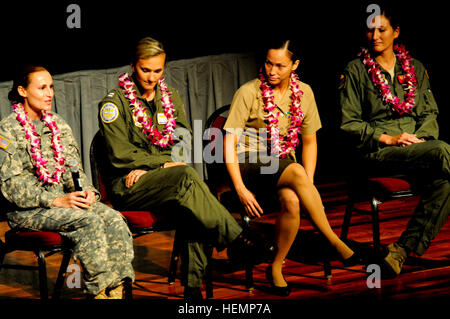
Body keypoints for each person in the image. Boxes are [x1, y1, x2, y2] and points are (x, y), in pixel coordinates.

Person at [98, 37, 270, 300]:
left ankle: (193, 289)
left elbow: (184, 138)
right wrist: (161, 165)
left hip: (167, 180)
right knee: (187, 178)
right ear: (133, 65)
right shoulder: (113, 104)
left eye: (158, 70)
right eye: (145, 70)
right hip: (129, 185)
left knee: (196, 204)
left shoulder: (170, 97)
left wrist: (164, 165)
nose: (151, 77)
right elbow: (121, 156)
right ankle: (237, 240)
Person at [223, 39, 362, 297]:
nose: (272, 71)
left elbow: (309, 142)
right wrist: (240, 188)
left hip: (283, 165)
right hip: (248, 163)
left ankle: (275, 268)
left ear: (295, 65)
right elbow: (228, 143)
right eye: (268, 63)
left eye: (280, 65)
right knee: (297, 172)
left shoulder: (304, 93)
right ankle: (333, 241)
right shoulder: (248, 92)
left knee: (293, 200)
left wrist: (305, 187)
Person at [0, 65, 135, 299]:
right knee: (89, 220)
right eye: (42, 88)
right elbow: (12, 188)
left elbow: (74, 170)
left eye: (51, 87)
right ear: (22, 91)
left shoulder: (58, 124)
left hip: (65, 202)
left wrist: (88, 192)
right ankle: (100, 291)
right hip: (29, 211)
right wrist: (55, 200)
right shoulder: (7, 129)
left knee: (114, 218)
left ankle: (118, 290)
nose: (49, 93)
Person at [339, 4, 450, 277]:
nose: (375, 36)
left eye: (382, 29)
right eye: (370, 30)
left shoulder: (415, 67)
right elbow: (349, 124)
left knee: (445, 183)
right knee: (444, 150)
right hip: (378, 152)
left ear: (396, 32)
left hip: (419, 147)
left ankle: (400, 250)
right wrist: (389, 138)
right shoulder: (355, 70)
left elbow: (429, 111)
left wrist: (420, 141)